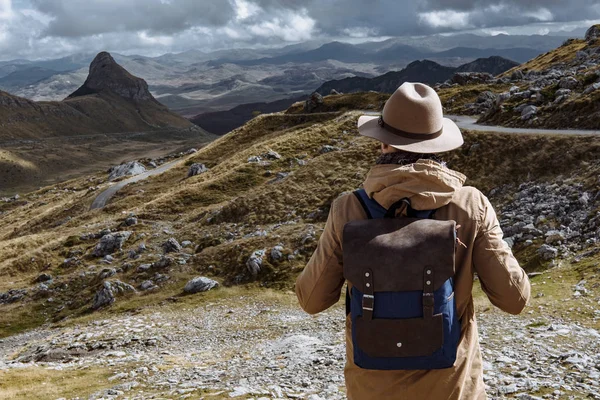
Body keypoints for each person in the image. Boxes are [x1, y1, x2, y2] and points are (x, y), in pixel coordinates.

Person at [295, 82, 531, 399]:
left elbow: (311, 301)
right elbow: (514, 299)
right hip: (451, 388)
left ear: (383, 145)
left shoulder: (348, 208)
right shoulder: (470, 205)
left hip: (372, 389)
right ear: (438, 147)